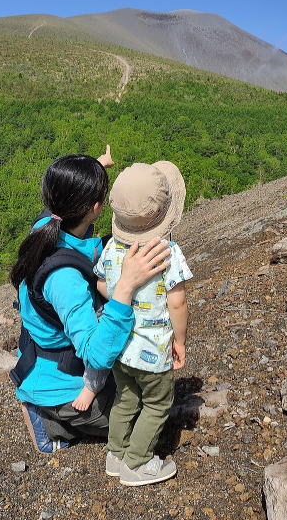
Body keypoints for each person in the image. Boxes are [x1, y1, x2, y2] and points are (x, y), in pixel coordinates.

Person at [10, 148, 171, 452]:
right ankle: (49, 422)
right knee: (143, 419)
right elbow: (94, 355)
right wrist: (124, 288)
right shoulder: (65, 280)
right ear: (95, 208)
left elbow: (69, 193)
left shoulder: (48, 221)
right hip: (60, 384)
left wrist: (97, 165)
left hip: (43, 349)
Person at [93, 161, 192, 486]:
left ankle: (116, 453)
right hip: (153, 351)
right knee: (157, 403)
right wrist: (180, 342)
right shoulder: (168, 253)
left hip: (121, 349)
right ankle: (136, 463)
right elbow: (177, 301)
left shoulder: (111, 248)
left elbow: (102, 287)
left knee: (126, 397)